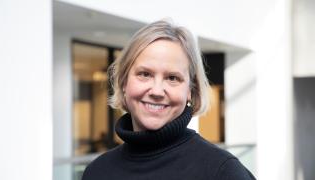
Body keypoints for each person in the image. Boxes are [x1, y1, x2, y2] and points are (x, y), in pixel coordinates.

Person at [82, 19, 256, 180]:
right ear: (124, 82)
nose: (157, 91)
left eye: (172, 78)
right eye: (145, 74)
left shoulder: (222, 172)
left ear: (190, 90)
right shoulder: (97, 172)